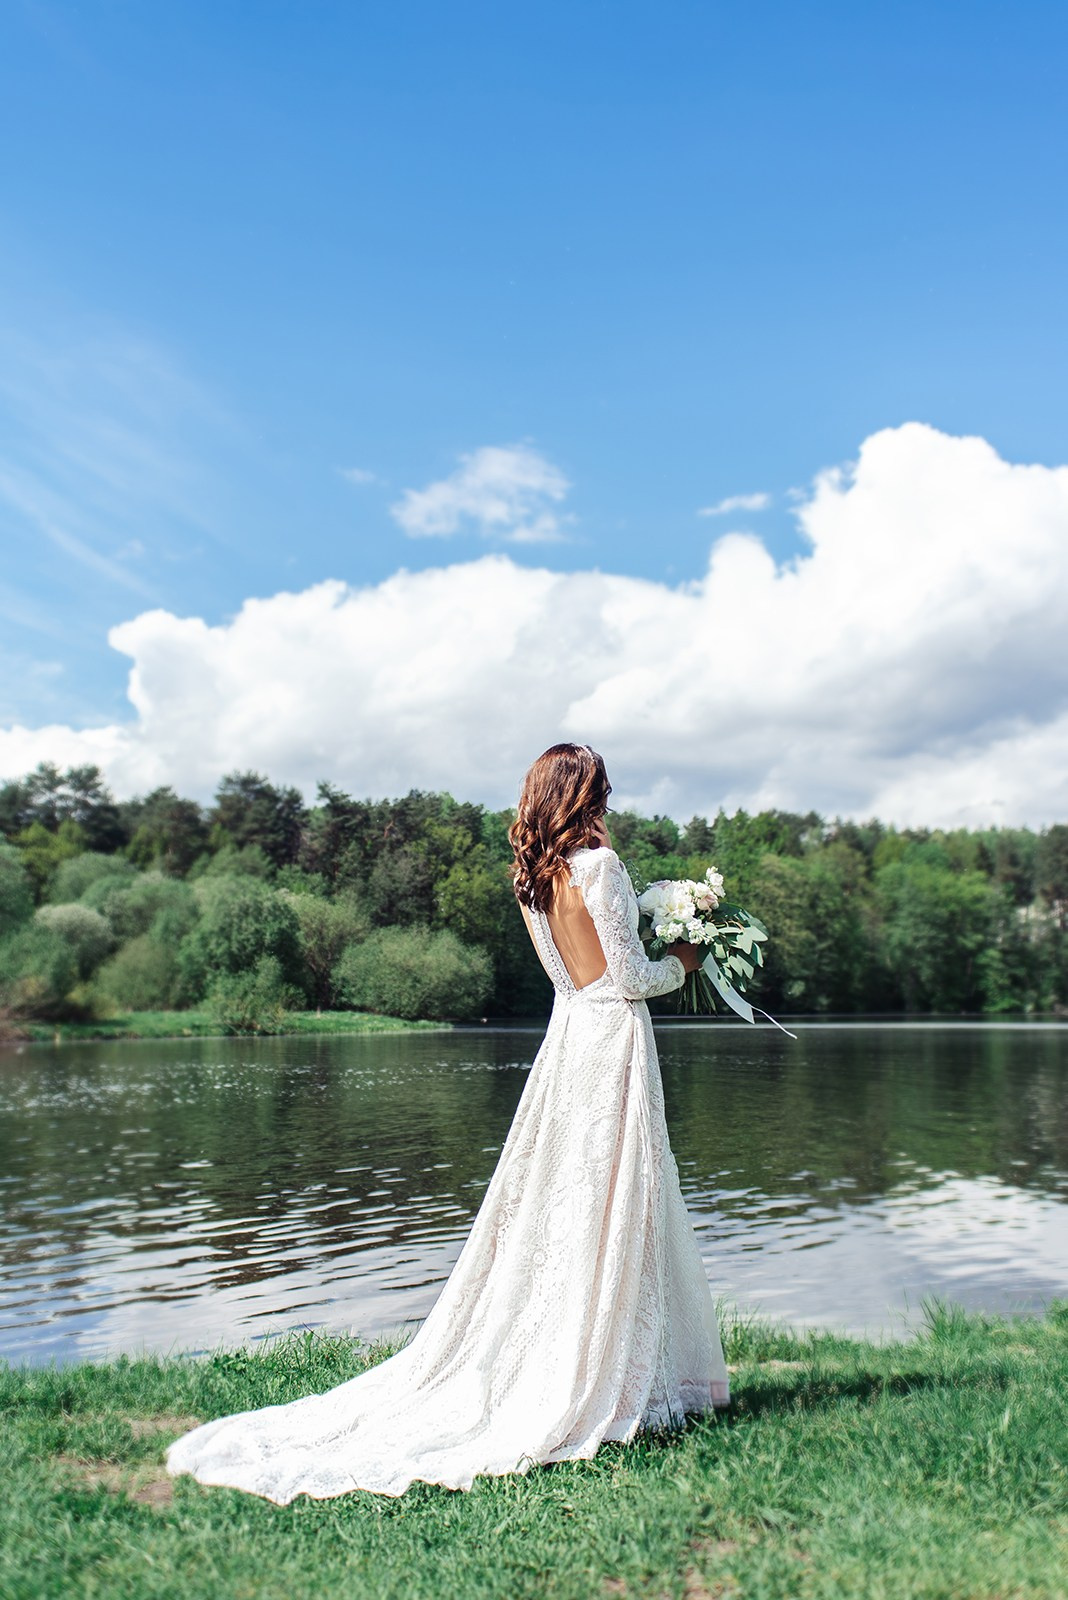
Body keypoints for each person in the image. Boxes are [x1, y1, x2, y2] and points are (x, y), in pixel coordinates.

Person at [166, 743, 729, 1503]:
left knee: (566, 1204)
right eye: (599, 788)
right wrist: (686, 963)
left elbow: (567, 980)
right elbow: (627, 980)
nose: (606, 800)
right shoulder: (600, 867)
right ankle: (607, 1374)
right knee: (615, 1199)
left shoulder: (535, 878)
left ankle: (596, 1357)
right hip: (612, 1041)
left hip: (568, 1044)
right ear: (584, 793)